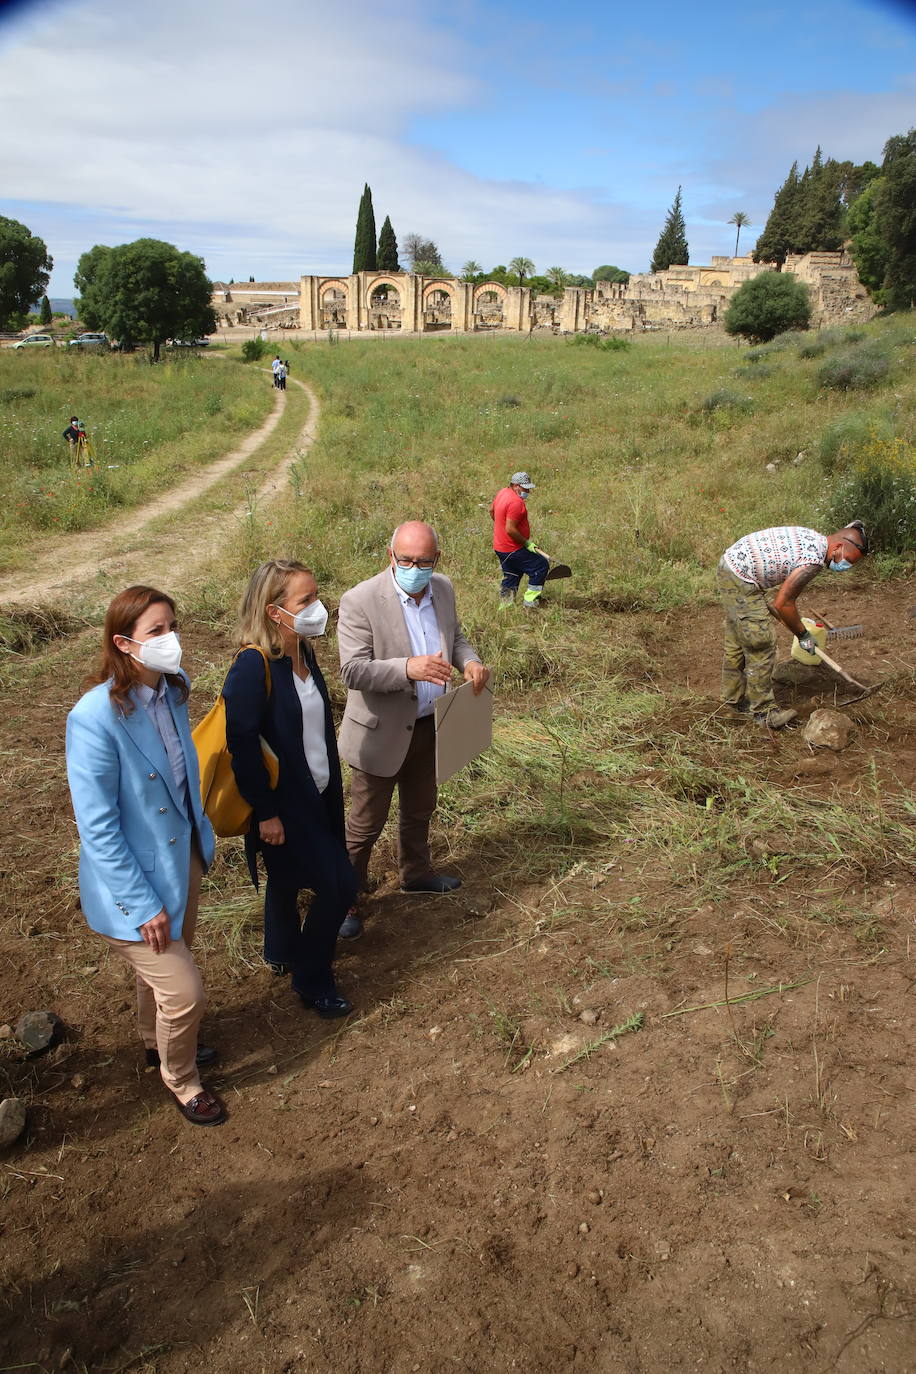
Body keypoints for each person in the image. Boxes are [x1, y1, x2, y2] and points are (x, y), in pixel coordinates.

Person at [65, 586, 223, 1127]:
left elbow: (182, 780)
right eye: (156, 631)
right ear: (123, 643)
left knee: (159, 979)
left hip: (182, 862)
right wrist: (142, 905)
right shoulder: (94, 717)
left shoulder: (173, 692)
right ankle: (181, 1080)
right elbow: (99, 828)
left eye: (172, 626)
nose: (170, 639)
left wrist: (202, 844)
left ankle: (153, 1042)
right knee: (184, 995)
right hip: (134, 887)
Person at [337, 521, 490, 939]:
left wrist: (470, 662)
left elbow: (455, 637)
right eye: (405, 559)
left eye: (423, 561)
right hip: (379, 732)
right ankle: (344, 899)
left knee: (420, 807)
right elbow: (352, 670)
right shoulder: (360, 600)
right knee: (364, 824)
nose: (414, 567)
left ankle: (416, 873)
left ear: (436, 560)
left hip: (428, 722)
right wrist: (408, 668)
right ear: (390, 556)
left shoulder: (443, 588)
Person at [221, 560, 356, 1017]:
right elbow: (240, 745)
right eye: (306, 601)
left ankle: (279, 950)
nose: (319, 607)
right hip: (285, 805)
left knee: (284, 877)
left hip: (320, 793)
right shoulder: (251, 666)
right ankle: (312, 977)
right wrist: (265, 813)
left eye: (317, 595)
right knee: (340, 886)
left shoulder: (305, 653)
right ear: (275, 611)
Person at [717, 521, 869, 728]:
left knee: (738, 639)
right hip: (741, 576)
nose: (847, 566)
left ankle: (732, 701)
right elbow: (783, 603)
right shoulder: (813, 559)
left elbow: (783, 601)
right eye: (849, 560)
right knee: (761, 642)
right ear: (839, 547)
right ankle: (763, 712)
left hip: (731, 567)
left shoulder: (814, 539)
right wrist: (803, 635)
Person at [490, 471, 549, 609]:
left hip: (500, 547)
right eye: (525, 488)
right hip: (513, 548)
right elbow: (510, 529)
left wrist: (500, 526)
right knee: (540, 566)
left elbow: (491, 510)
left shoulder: (502, 492)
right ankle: (530, 602)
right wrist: (527, 543)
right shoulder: (516, 502)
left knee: (512, 575)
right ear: (516, 486)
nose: (528, 491)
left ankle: (505, 606)